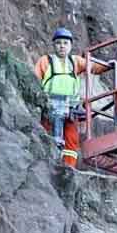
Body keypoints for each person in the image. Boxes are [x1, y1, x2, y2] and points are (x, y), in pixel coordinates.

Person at [38, 25, 87, 164]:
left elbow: (94, 66)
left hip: (70, 108)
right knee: (48, 135)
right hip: (50, 106)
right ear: (54, 45)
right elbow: (35, 80)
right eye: (58, 43)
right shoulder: (45, 61)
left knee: (71, 140)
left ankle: (68, 170)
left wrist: (109, 65)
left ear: (71, 45)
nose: (62, 46)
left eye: (65, 43)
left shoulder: (75, 61)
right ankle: (47, 165)